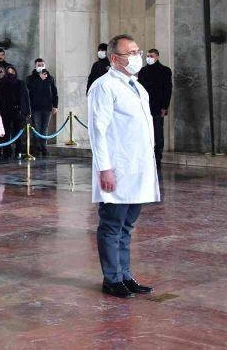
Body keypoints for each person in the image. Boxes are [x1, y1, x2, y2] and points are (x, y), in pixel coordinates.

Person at [88, 34, 159, 299]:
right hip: (117, 168)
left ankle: (125, 275)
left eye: (138, 51)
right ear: (115, 58)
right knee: (112, 225)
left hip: (138, 168)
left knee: (127, 226)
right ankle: (112, 278)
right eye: (131, 53)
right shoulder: (103, 86)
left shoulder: (136, 86)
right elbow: (98, 129)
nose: (137, 57)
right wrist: (104, 168)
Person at [137, 49, 172, 173]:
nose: (148, 58)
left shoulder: (165, 71)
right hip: (144, 107)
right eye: (147, 56)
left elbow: (167, 90)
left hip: (157, 107)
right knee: (144, 134)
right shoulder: (142, 71)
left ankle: (157, 158)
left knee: (158, 134)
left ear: (157, 57)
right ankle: (146, 158)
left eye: (151, 56)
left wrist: (164, 107)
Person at [26, 59, 59, 156]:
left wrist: (55, 105)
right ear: (35, 66)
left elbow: (54, 92)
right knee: (36, 128)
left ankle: (44, 146)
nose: (41, 66)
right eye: (38, 65)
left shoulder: (50, 78)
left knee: (44, 128)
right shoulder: (30, 78)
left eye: (42, 64)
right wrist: (39, 79)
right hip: (35, 108)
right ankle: (37, 148)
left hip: (47, 107)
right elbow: (30, 90)